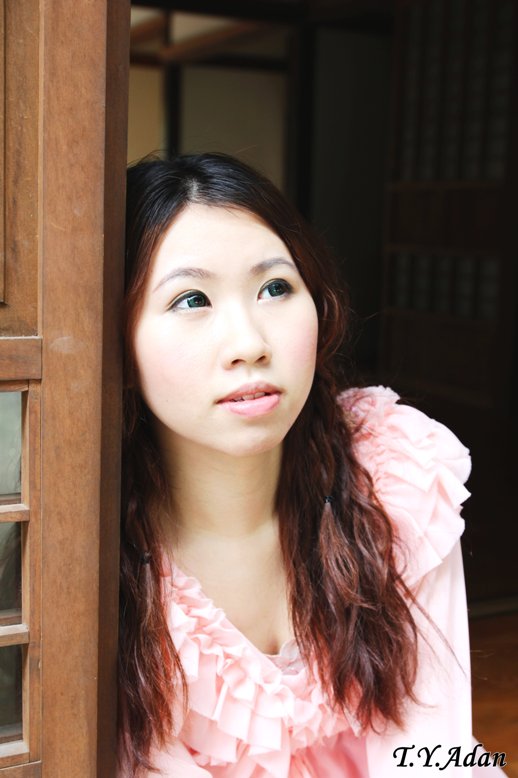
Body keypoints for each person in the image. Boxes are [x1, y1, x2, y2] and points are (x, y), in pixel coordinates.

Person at [118, 153, 487, 777]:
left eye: (275, 288)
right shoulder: (102, 552)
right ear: (119, 342)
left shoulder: (395, 478)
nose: (249, 344)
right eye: (191, 299)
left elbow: (435, 749)